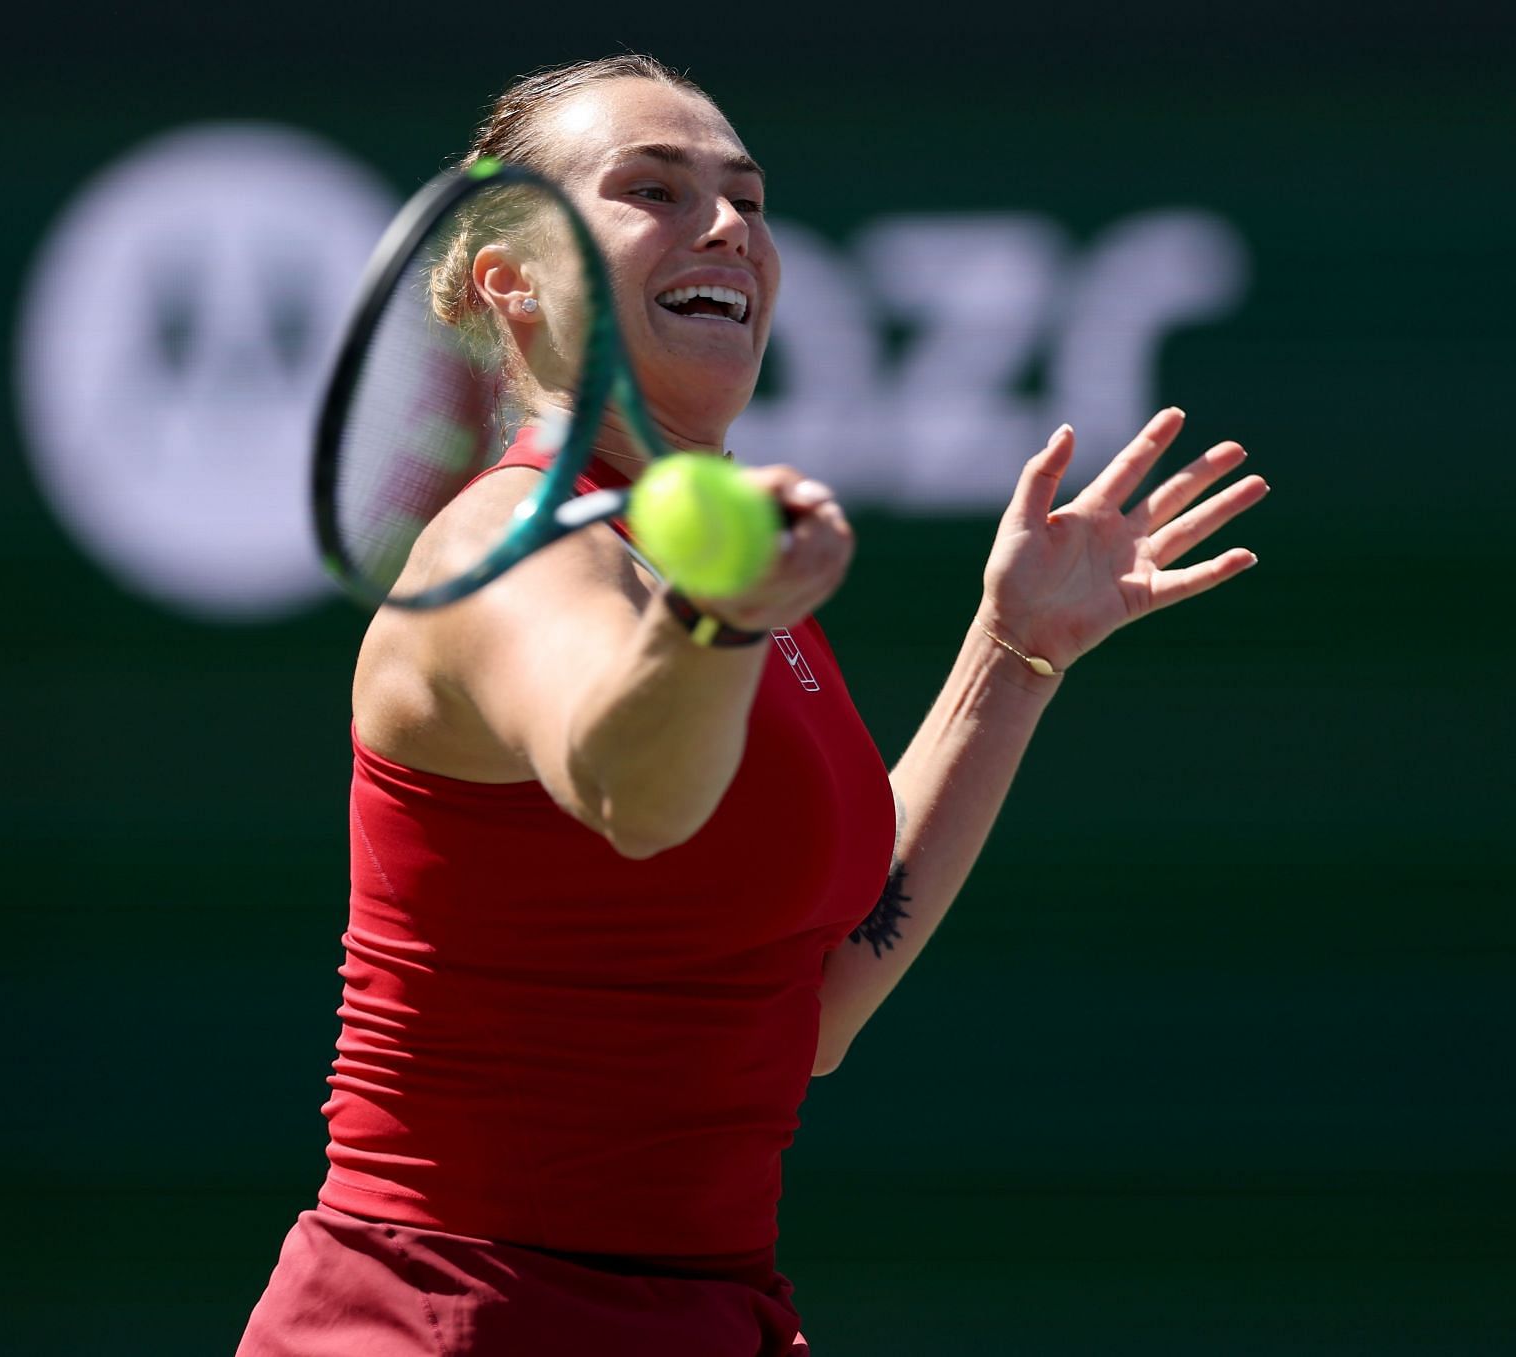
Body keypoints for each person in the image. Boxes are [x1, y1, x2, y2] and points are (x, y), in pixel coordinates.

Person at [238, 54, 1266, 1357]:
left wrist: (1012, 655)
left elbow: (814, 1011)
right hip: (453, 1316)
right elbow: (633, 782)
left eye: (748, 197)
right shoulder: (503, 551)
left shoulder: (707, 580)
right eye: (652, 189)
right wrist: (722, 616)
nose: (726, 224)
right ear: (514, 274)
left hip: (700, 1316)